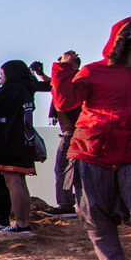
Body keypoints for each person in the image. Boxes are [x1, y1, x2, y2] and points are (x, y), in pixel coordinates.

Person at [51, 11, 131, 260]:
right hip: (92, 150)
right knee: (93, 211)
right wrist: (64, 69)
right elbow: (65, 102)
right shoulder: (95, 71)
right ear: (129, 38)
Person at [0, 60, 38, 235]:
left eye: (2, 74)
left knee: (13, 181)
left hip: (9, 141)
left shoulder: (12, 89)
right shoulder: (26, 89)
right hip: (24, 140)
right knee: (20, 181)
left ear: (10, 74)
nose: (0, 78)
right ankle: (23, 222)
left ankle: (21, 224)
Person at [34, 55, 81, 217]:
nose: (59, 68)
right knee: (75, 169)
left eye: (62, 64)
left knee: (63, 168)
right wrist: (41, 74)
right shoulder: (74, 78)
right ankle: (75, 203)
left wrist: (38, 76)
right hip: (76, 131)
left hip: (73, 132)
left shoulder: (74, 78)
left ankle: (66, 205)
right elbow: (52, 83)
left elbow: (53, 83)